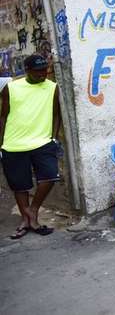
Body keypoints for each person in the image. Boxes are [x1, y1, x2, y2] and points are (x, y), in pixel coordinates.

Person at [1, 55, 61, 239]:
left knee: (50, 176)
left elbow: (56, 114)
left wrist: (54, 138)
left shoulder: (52, 87)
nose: (43, 74)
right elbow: (3, 116)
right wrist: (1, 143)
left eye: (45, 70)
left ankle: (32, 211)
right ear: (27, 70)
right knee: (20, 186)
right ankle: (26, 221)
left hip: (43, 141)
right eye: (38, 71)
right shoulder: (11, 88)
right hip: (14, 144)